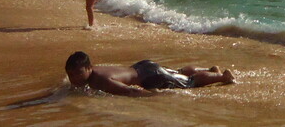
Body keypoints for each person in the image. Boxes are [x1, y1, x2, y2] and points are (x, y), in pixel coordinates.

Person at [65, 51, 234, 97]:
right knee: (178, 72)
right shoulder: (96, 69)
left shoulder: (100, 80)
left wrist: (155, 98)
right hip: (142, 66)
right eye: (71, 75)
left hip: (151, 76)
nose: (74, 78)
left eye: (78, 74)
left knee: (190, 83)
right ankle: (211, 71)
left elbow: (132, 91)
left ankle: (222, 77)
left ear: (89, 68)